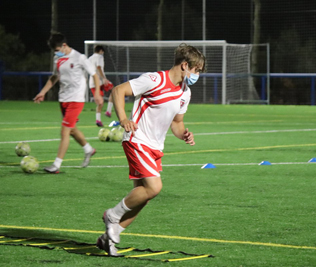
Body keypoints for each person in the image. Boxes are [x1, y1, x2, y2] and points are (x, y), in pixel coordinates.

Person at [96, 43, 206, 256]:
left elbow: (177, 123)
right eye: (197, 70)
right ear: (185, 65)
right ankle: (112, 215)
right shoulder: (154, 80)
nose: (197, 75)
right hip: (137, 140)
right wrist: (123, 119)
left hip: (155, 147)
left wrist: (184, 133)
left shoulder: (185, 93)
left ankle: (109, 237)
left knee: (143, 195)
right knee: (154, 187)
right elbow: (118, 91)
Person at [33, 33, 103, 173]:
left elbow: (94, 74)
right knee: (71, 129)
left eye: (58, 49)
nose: (56, 53)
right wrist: (43, 92)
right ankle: (88, 149)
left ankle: (56, 165)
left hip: (76, 99)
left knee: (64, 130)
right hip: (63, 99)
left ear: (64, 45)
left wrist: (96, 93)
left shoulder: (79, 57)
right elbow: (54, 77)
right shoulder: (57, 59)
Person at [88, 45, 114, 127]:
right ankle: (108, 111)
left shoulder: (89, 58)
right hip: (100, 81)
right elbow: (98, 67)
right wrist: (103, 78)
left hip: (92, 83)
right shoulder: (99, 57)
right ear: (101, 51)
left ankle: (99, 119)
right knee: (114, 91)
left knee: (100, 102)